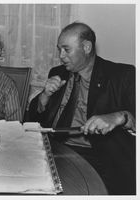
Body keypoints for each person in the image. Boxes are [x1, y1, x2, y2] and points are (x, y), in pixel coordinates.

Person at [28, 22, 135, 194]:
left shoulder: (121, 76)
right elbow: (31, 120)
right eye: (59, 49)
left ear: (86, 47)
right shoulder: (58, 72)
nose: (61, 56)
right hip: (55, 150)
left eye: (66, 49)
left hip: (98, 156)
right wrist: (44, 96)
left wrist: (119, 117)